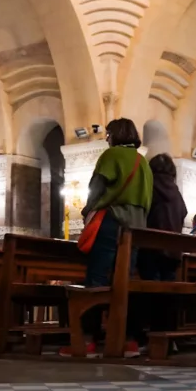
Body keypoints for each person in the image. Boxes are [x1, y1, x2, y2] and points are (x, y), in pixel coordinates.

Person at [65, 118, 152, 358]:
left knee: (97, 280)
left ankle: (89, 341)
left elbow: (97, 187)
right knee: (125, 282)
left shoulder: (112, 156)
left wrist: (86, 210)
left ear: (115, 135)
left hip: (111, 222)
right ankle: (129, 341)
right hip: (136, 228)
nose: (107, 139)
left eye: (109, 134)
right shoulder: (142, 162)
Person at [137, 153, 187, 282]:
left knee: (150, 288)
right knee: (167, 291)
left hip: (150, 248)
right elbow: (183, 213)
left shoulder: (149, 188)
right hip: (173, 250)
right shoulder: (177, 194)